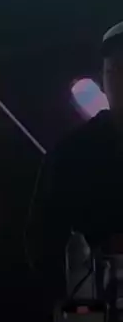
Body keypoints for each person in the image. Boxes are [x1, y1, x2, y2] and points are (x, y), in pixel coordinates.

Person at [27, 21, 123, 301]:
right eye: (114, 69)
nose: (121, 79)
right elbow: (42, 245)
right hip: (99, 311)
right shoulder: (71, 153)